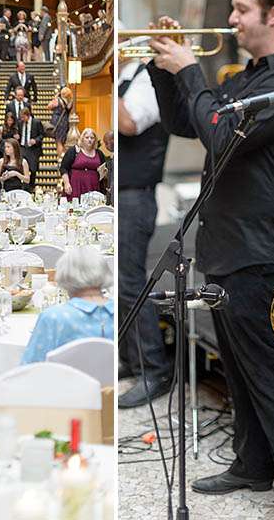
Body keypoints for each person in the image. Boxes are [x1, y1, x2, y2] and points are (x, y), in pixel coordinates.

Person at [149, 0, 274, 516]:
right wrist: (164, 69)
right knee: (237, 368)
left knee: (271, 372)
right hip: (227, 243)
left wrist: (192, 70)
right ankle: (252, 466)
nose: (231, 19)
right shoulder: (246, 75)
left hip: (258, 249)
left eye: (241, 9)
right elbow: (189, 122)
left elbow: (222, 133)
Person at [117, 57, 173, 406]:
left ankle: (155, 368)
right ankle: (131, 358)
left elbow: (130, 123)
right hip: (122, 193)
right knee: (120, 283)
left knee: (131, 283)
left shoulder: (146, 79)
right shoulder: (125, 81)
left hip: (136, 195)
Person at [20, 246, 113, 364]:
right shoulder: (119, 311)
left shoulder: (54, 318)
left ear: (64, 274)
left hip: (66, 381)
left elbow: (30, 368)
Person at [60, 128, 104, 201]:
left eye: (92, 138)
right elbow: (63, 168)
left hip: (93, 186)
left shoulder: (99, 153)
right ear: (82, 138)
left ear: (95, 140)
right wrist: (66, 183)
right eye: (87, 137)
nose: (89, 139)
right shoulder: (74, 150)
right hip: (76, 185)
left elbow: (103, 170)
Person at [17, 107, 44, 185]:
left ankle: (31, 185)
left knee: (33, 169)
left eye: (22, 117)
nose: (21, 119)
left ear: (27, 115)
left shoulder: (36, 122)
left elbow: (42, 135)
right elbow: (19, 132)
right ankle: (23, 185)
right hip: (22, 148)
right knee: (21, 167)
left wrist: (35, 140)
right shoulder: (20, 123)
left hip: (33, 149)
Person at [48, 86, 74, 156]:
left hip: (57, 121)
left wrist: (54, 98)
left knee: (58, 141)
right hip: (65, 121)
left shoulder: (58, 100)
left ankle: (60, 157)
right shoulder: (70, 101)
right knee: (62, 141)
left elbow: (49, 106)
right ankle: (63, 156)